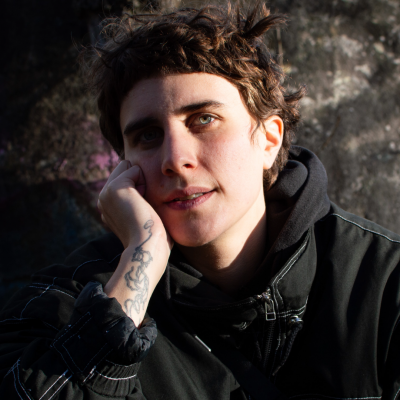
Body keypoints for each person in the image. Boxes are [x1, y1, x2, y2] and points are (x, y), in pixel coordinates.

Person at [1, 3, 400, 400]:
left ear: (269, 139)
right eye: (148, 136)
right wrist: (140, 260)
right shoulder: (66, 307)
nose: (175, 159)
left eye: (203, 119)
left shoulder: (383, 283)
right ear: (124, 167)